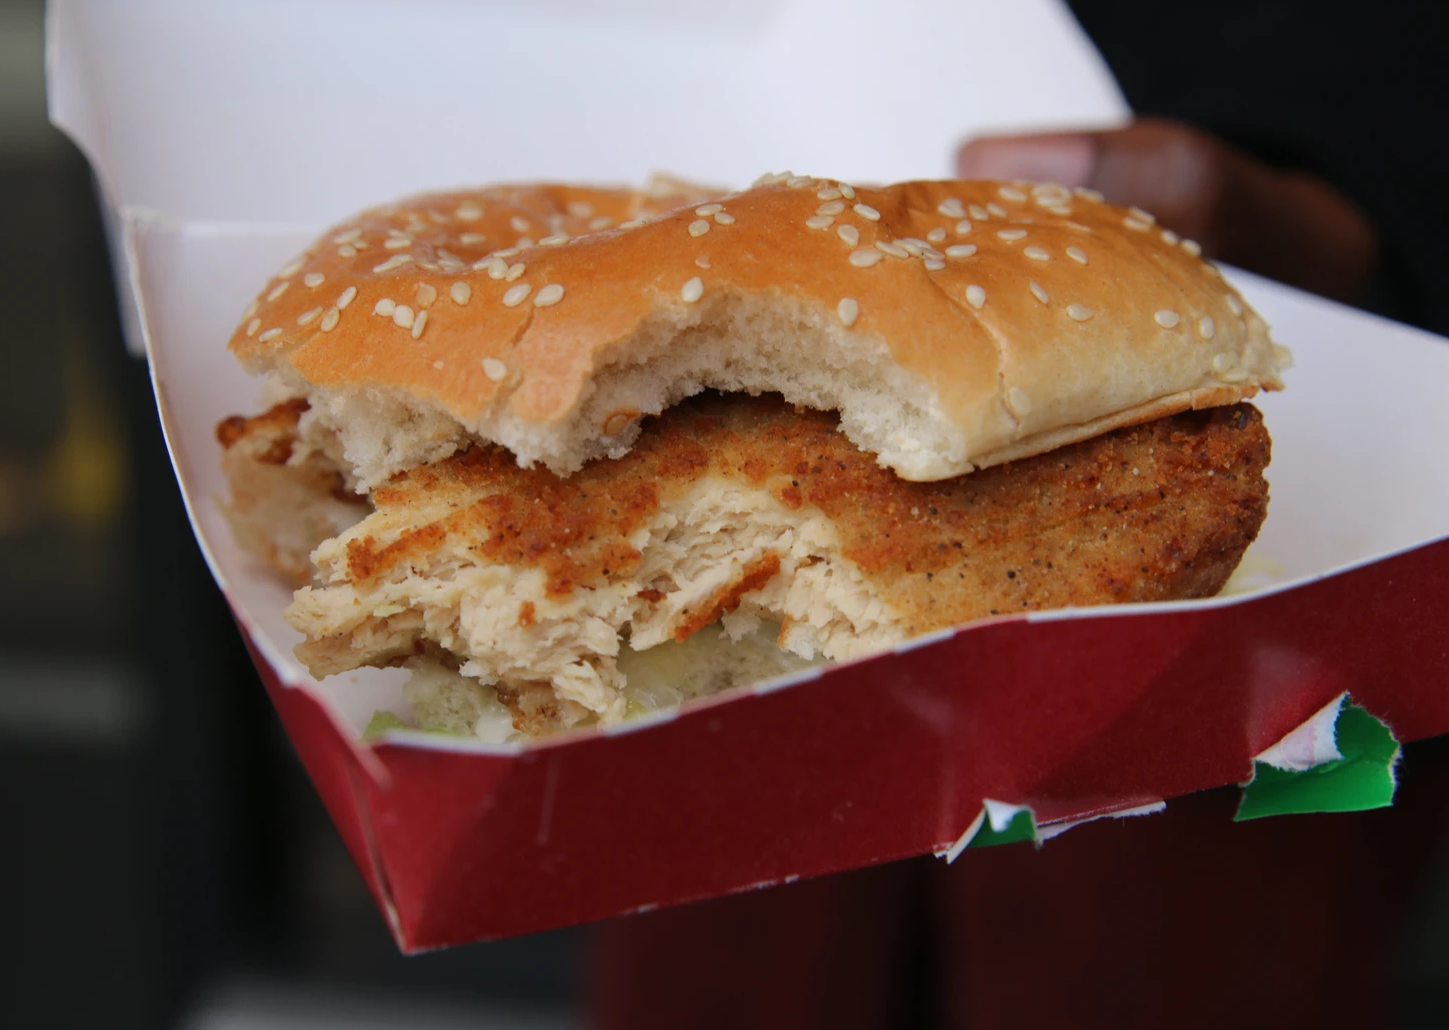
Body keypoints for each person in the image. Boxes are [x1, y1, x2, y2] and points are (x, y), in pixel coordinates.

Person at [588, 3, 1449, 1027]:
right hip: (697, 619)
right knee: (723, 976)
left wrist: (1378, 220)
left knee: (1124, 969)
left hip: (1256, 594)